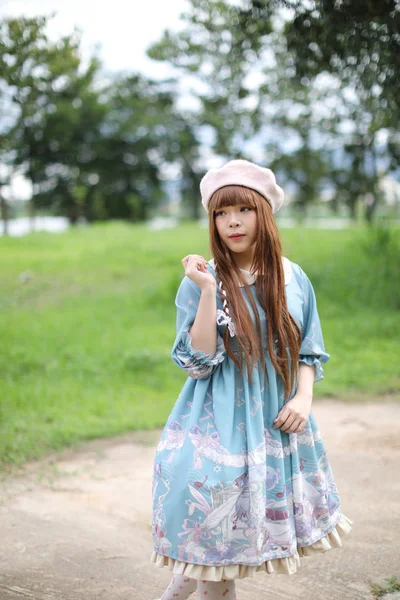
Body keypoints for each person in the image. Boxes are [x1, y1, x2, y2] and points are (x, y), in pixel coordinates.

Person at [150, 159, 353, 600]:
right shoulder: (203, 278)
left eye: (243, 209)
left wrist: (303, 399)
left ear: (264, 212)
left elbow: (309, 349)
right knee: (209, 531)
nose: (232, 222)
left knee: (219, 550)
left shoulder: (292, 276)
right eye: (221, 213)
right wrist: (206, 292)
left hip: (271, 420)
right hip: (213, 420)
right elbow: (198, 361)